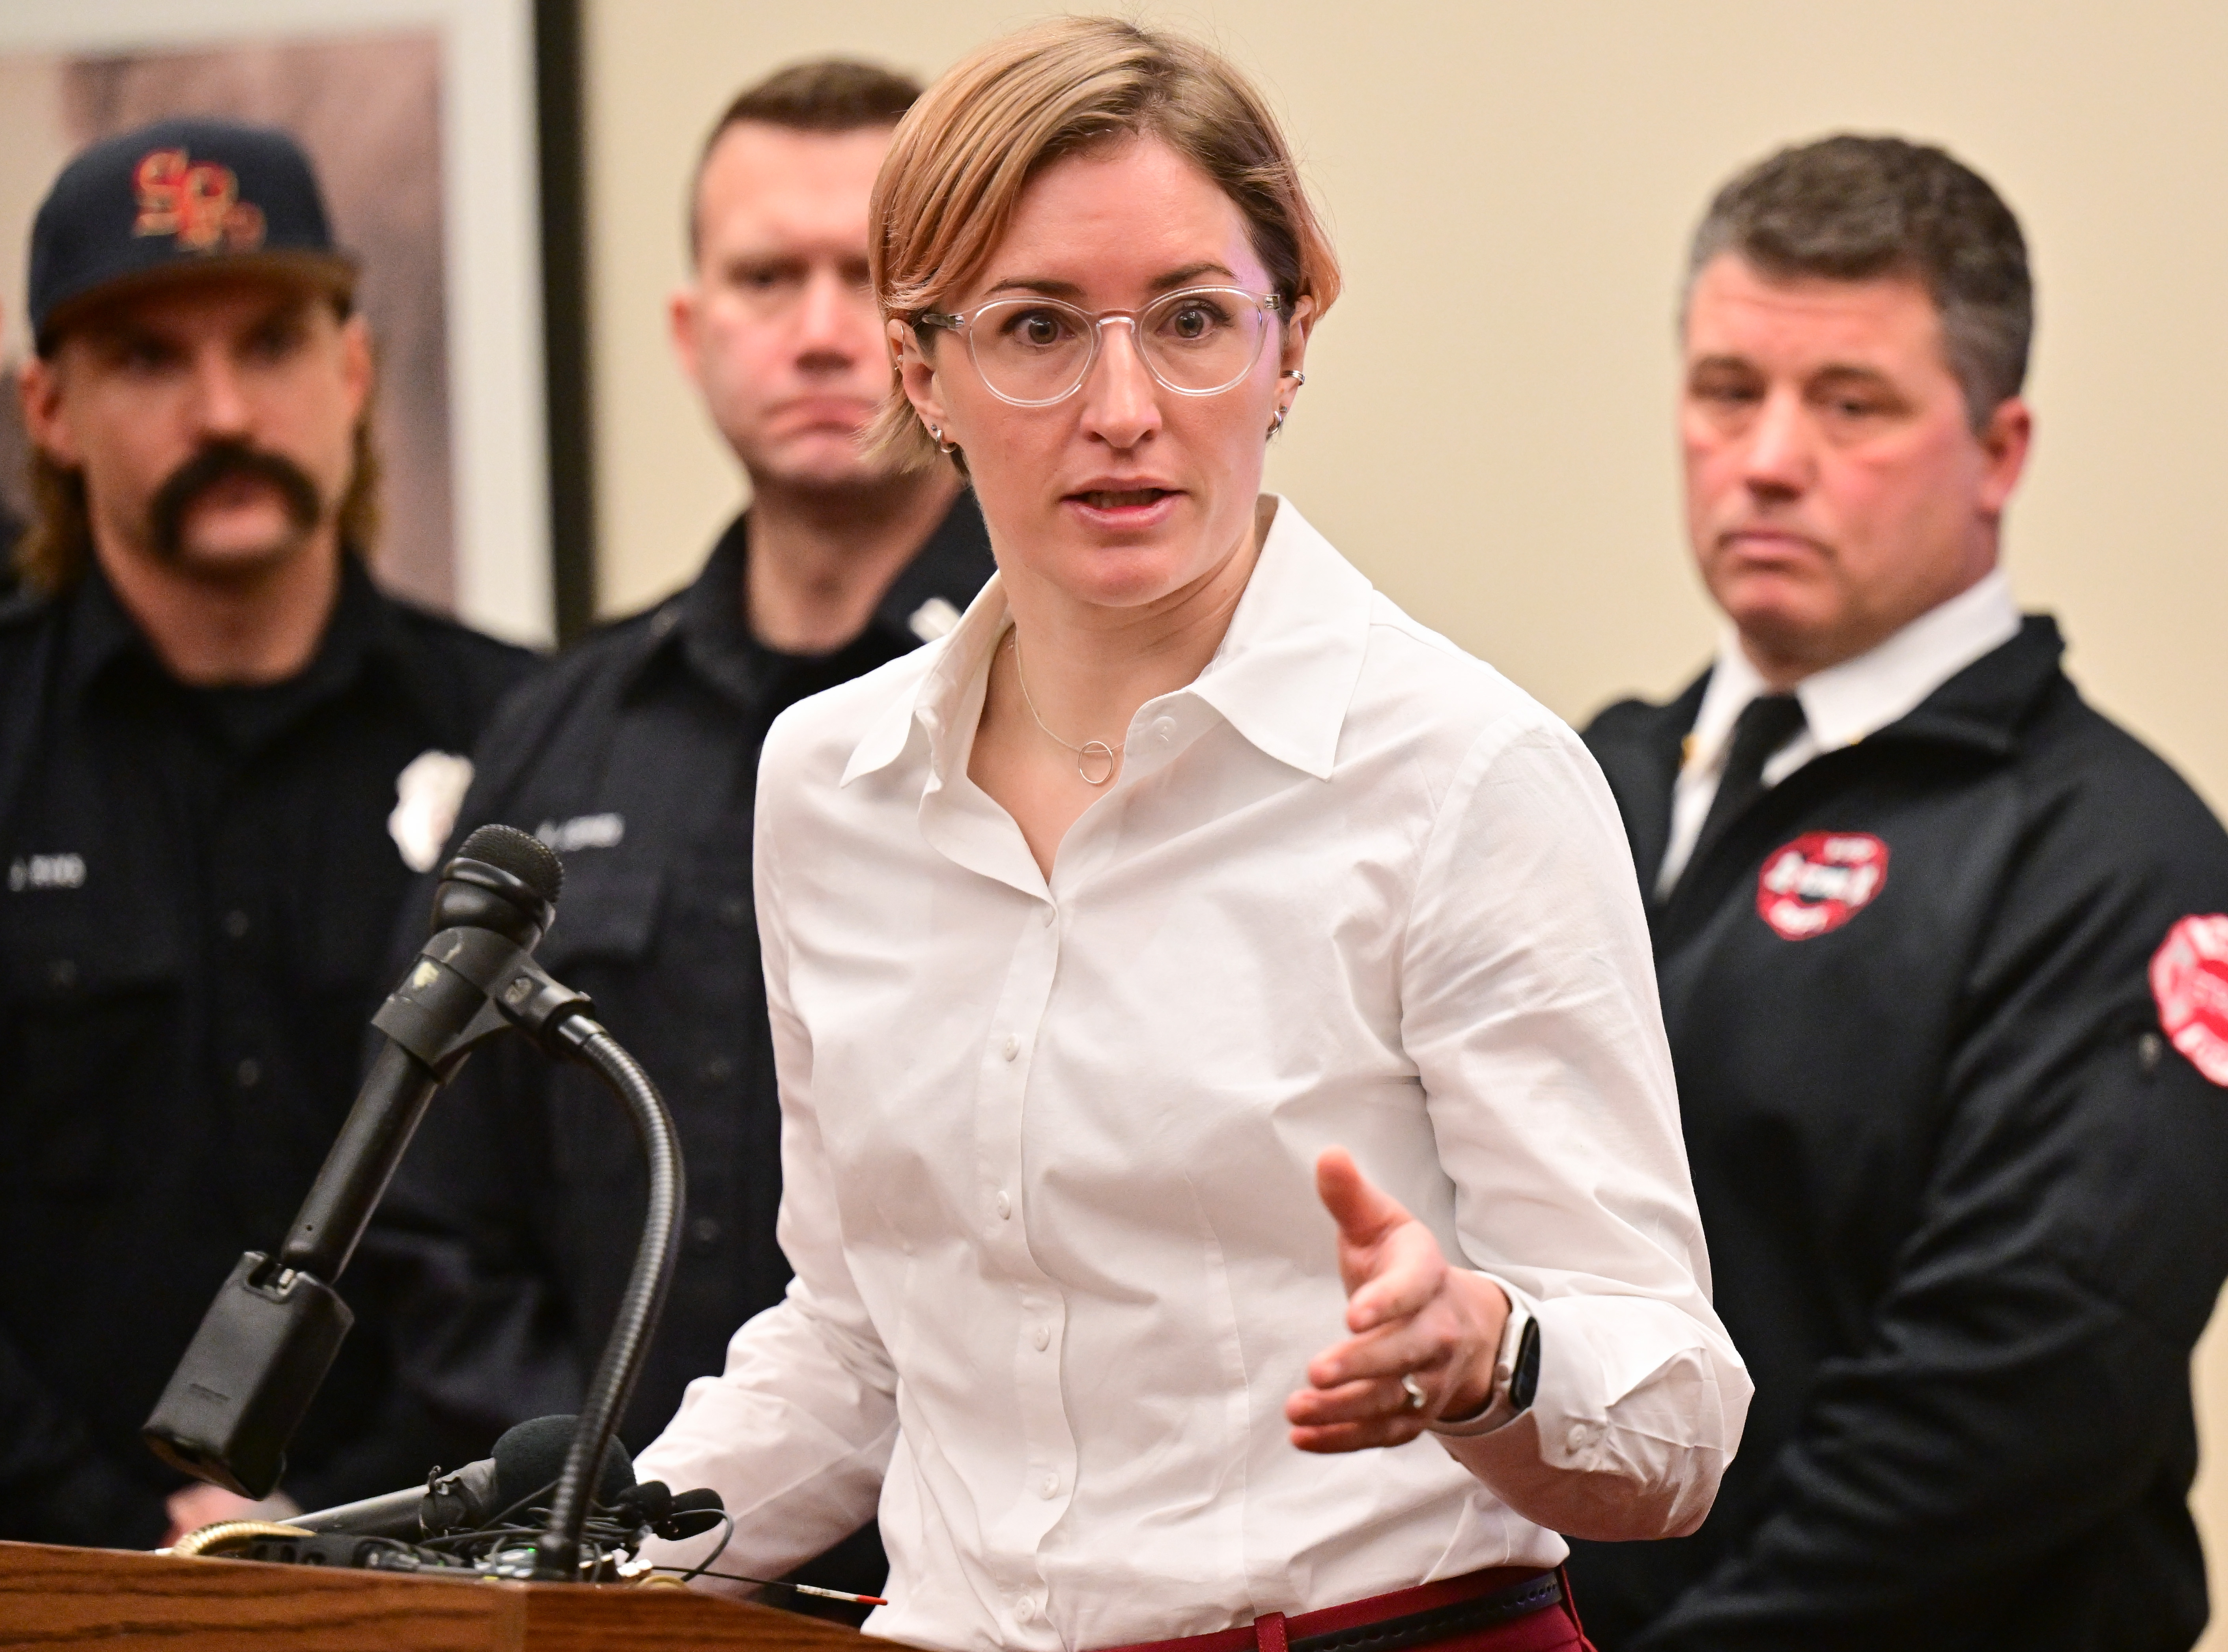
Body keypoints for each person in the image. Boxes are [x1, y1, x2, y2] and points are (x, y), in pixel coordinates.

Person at [627, 20, 1749, 1652]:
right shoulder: (830, 778)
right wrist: (575, 1568)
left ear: (1293, 342)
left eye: (1195, 320)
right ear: (919, 366)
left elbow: (1679, 1423)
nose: (1125, 405)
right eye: (1034, 329)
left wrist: (1490, 1352)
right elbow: (862, 1346)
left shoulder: (1464, 773)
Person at [1563, 136, 2228, 1651]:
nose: (1769, 456)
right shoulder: (1586, 783)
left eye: (1849, 404)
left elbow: (2021, 1396)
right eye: (1728, 392)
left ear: (1998, 451)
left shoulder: (2120, 858)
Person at [368, 61, 992, 1602]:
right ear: (690, 327)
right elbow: (437, 1205)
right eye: (768, 275)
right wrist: (612, 1501)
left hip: (965, 1586)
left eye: (871, 276)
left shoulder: (1065, 694)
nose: (823, 325)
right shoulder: (564, 726)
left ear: (950, 324)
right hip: (604, 1574)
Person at [0, 118, 532, 1549]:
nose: (225, 411)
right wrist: (112, 1523)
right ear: (49, 409)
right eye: (149, 361)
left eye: (272, 345)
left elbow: (554, 1214)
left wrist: (340, 1526)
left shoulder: (528, 737)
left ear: (351, 372)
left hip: (444, 1573)